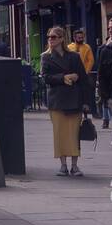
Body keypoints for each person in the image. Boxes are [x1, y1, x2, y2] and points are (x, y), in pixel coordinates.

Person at [42, 27, 88, 177]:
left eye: (54, 37)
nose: (50, 39)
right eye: (49, 37)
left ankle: (74, 166)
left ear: (62, 39)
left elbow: (83, 78)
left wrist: (86, 101)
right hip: (57, 100)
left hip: (74, 99)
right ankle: (63, 165)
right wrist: (63, 77)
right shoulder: (46, 57)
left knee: (73, 133)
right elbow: (45, 78)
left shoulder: (74, 56)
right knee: (60, 133)